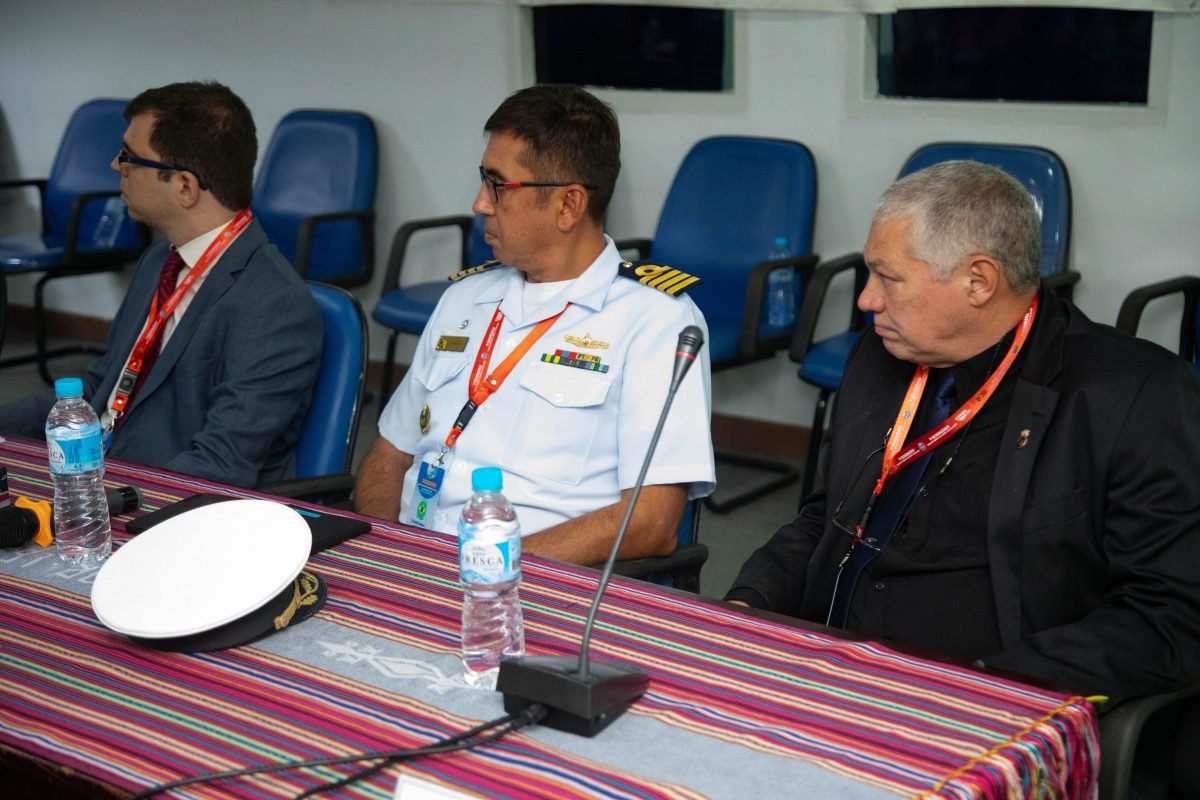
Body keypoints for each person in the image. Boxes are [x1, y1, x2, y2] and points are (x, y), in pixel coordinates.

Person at [726, 160, 1200, 707]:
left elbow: (1169, 617)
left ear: (979, 281)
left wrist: (987, 683)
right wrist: (749, 602)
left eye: (888, 278)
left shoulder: (1132, 396)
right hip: (826, 663)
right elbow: (824, 515)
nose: (866, 300)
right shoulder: (877, 355)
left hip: (974, 701)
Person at [355, 84, 714, 566]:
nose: (480, 203)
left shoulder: (656, 321)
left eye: (498, 185)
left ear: (569, 205)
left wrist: (482, 567)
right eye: (483, 180)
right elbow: (390, 453)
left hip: (526, 583)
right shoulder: (464, 298)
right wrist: (384, 550)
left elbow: (650, 523)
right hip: (408, 562)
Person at [0, 81, 322, 488]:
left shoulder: (276, 305)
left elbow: (220, 462)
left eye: (129, 157)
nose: (115, 166)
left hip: (160, 502)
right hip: (93, 476)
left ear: (184, 186)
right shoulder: (160, 261)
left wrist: (102, 497)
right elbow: (101, 387)